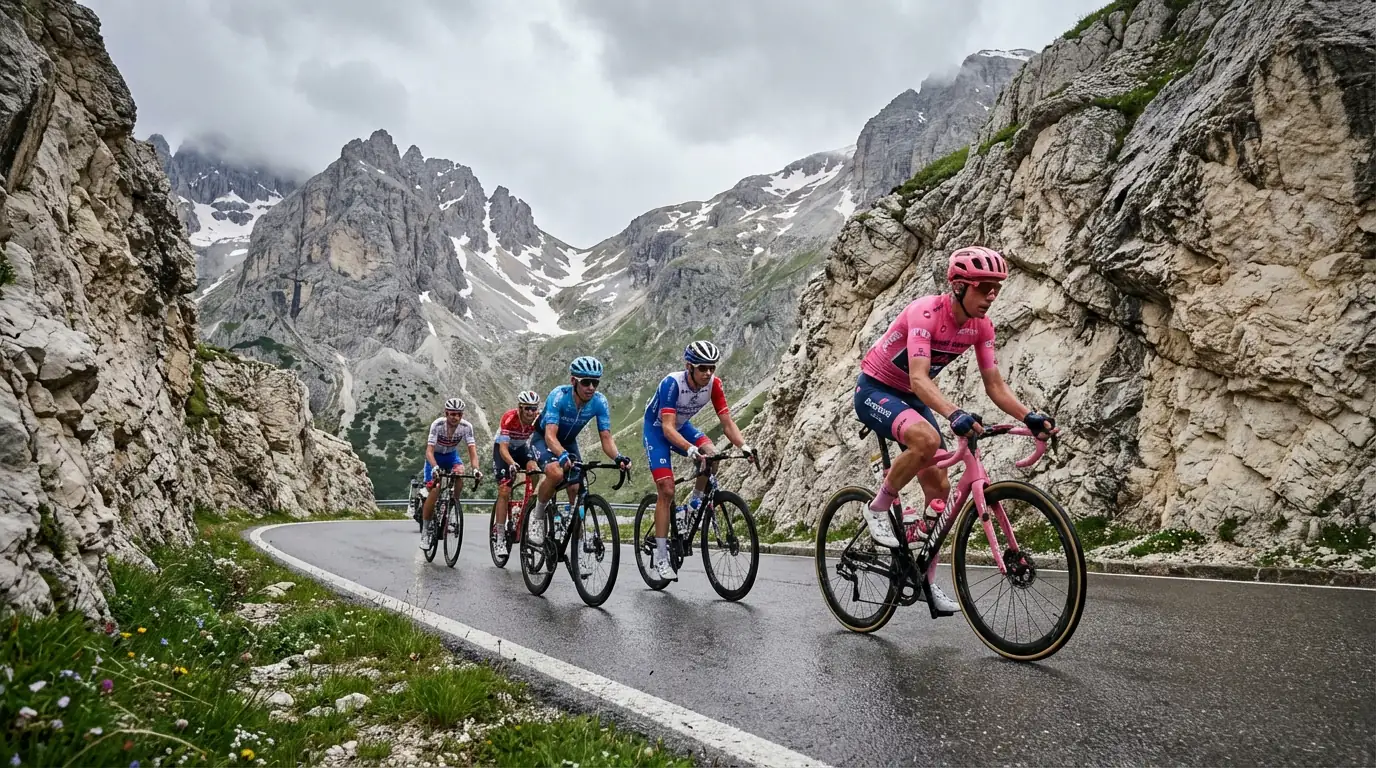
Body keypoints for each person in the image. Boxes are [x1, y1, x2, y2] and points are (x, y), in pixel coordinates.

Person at [853, 245, 1058, 612]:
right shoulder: (925, 313)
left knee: (940, 488)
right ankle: (878, 507)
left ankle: (925, 583)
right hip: (876, 389)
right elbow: (918, 378)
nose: (992, 296)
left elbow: (995, 385)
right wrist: (953, 413)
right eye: (984, 287)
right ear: (960, 286)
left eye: (997, 288)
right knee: (927, 440)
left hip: (913, 397)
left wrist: (1028, 416)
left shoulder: (982, 327)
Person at [641, 340, 756, 581]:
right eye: (702, 368)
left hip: (682, 426)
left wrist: (744, 446)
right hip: (658, 430)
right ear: (689, 367)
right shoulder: (672, 384)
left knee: (712, 455)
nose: (708, 373)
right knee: (667, 489)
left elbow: (727, 422)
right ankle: (661, 557)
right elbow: (667, 428)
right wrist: (690, 449)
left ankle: (693, 506)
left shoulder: (714, 384)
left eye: (712, 367)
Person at [526, 357, 632, 576]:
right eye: (586, 382)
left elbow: (606, 437)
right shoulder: (559, 396)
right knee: (555, 473)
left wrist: (618, 457)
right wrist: (561, 455)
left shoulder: (599, 402)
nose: (591, 387)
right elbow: (550, 436)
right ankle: (537, 516)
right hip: (544, 439)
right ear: (574, 381)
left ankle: (579, 551)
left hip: (568, 441)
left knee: (576, 486)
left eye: (595, 382)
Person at [420, 397, 481, 548]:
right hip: (435, 457)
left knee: (460, 473)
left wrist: (476, 469)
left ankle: (453, 504)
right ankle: (425, 532)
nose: (455, 417)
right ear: (446, 413)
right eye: (452, 414)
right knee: (435, 489)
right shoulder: (437, 425)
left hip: (451, 456)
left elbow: (472, 452)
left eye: (459, 414)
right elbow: (429, 451)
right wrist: (434, 466)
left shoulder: (466, 427)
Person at [491, 389, 542, 559]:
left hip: (521, 448)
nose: (531, 412)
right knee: (504, 490)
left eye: (534, 408)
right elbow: (504, 449)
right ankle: (499, 536)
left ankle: (532, 507)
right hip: (503, 450)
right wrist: (512, 464)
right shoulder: (509, 417)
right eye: (527, 408)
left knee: (534, 469)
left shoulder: (537, 419)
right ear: (520, 408)